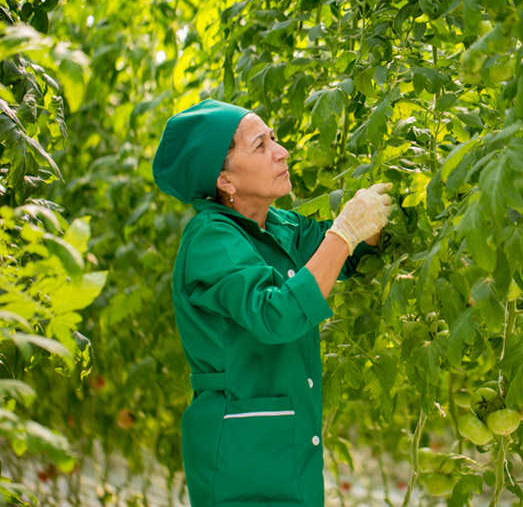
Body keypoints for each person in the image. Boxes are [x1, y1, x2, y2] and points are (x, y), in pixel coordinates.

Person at [152, 99, 392, 507]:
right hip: (240, 458)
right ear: (224, 180)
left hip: (282, 448)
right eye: (260, 146)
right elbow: (275, 314)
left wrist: (372, 222)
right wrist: (345, 229)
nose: (281, 151)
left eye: (274, 139)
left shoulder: (277, 224)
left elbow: (344, 258)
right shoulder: (212, 240)